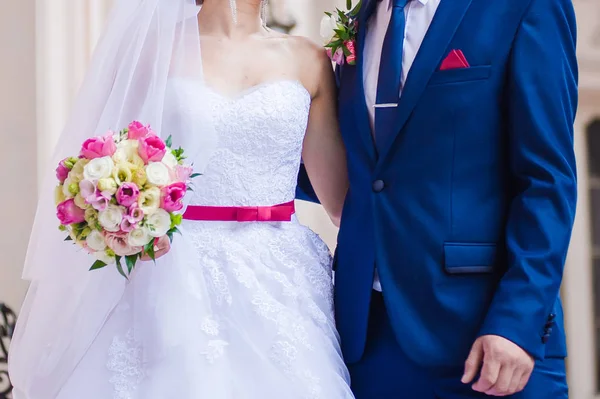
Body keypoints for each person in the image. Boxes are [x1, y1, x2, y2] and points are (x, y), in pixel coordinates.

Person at [8, 0, 353, 398]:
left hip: (280, 277)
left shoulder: (308, 59)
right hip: (173, 270)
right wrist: (117, 208)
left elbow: (339, 201)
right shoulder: (152, 50)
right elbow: (109, 155)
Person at [298, 0, 578, 397]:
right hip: (367, 342)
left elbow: (546, 181)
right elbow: (357, 171)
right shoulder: (362, 18)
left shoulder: (525, 7)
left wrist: (517, 322)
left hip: (484, 336)